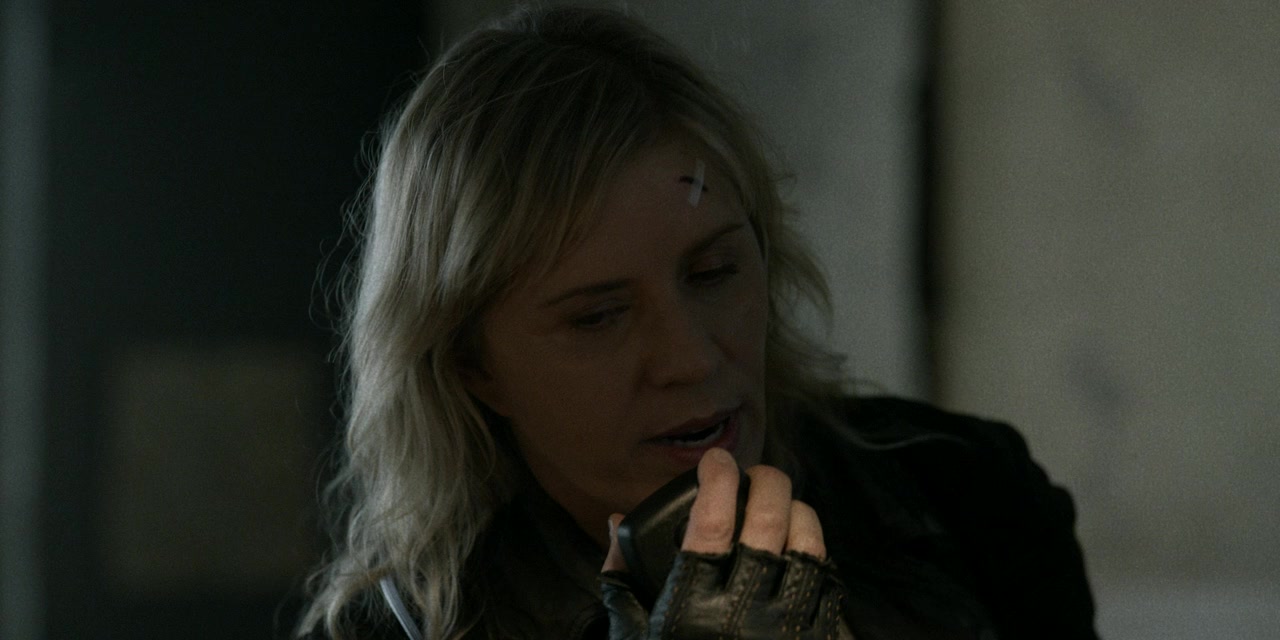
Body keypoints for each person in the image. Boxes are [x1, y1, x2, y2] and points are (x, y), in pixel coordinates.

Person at [297, 5, 1098, 639]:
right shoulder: (398, 630)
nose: (690, 356)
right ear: (471, 364)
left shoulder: (964, 496)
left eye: (714, 274)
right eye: (598, 318)